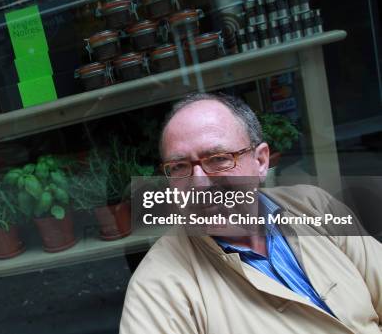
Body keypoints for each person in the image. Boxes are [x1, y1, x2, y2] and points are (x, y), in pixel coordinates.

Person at [119, 92, 382, 334]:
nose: (198, 183)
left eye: (219, 159)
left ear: (260, 161)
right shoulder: (156, 289)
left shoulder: (314, 206)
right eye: (178, 167)